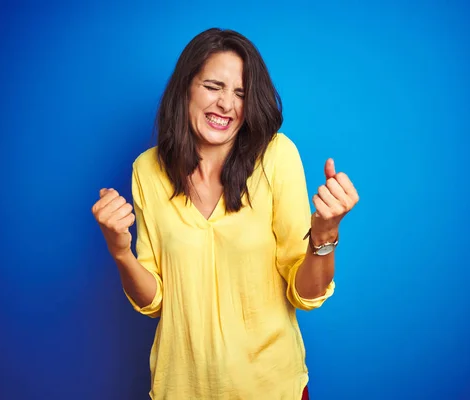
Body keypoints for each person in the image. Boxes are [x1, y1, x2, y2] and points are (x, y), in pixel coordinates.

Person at [91, 28, 359, 400]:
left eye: (241, 94)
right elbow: (154, 302)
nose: (226, 105)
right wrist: (120, 252)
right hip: (181, 389)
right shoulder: (147, 170)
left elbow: (306, 293)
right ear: (186, 87)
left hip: (272, 388)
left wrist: (325, 234)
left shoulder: (276, 157)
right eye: (213, 86)